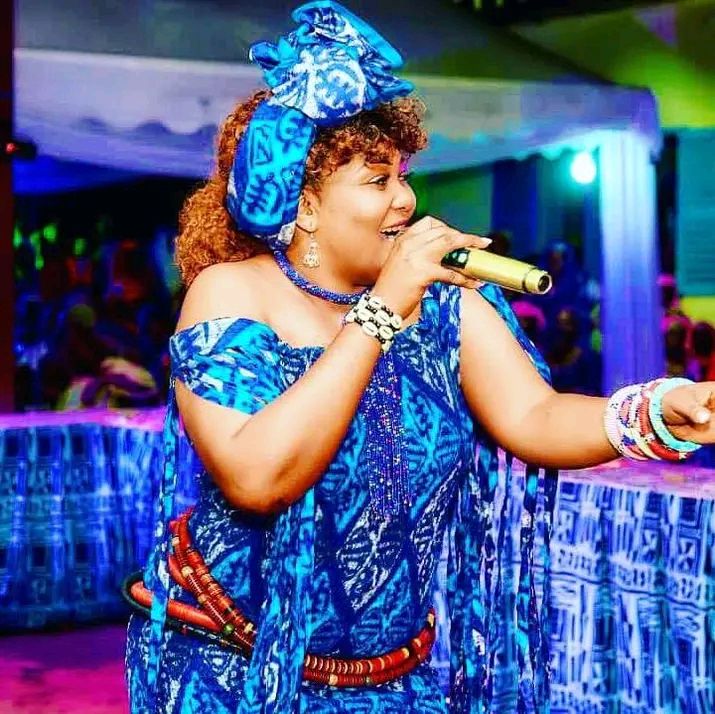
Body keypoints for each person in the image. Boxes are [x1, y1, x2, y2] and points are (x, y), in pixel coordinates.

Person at [124, 3, 715, 712]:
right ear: (304, 205)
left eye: (403, 175)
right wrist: (381, 311)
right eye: (377, 181)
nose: (405, 199)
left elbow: (535, 416)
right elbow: (258, 477)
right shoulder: (233, 292)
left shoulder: (443, 303)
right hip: (232, 669)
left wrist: (657, 410)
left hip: (393, 677)